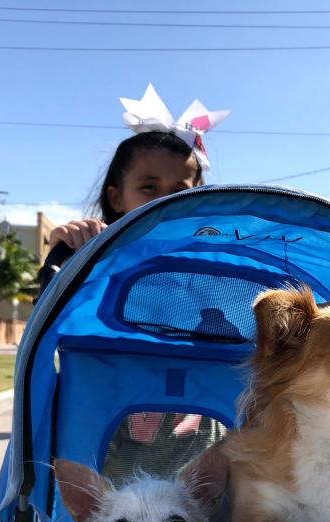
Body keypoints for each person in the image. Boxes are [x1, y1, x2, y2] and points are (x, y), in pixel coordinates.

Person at [37, 85, 229, 479]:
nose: (163, 201)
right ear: (116, 196)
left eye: (179, 192)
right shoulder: (96, 259)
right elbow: (59, 316)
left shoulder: (213, 266)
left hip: (197, 445)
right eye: (148, 188)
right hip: (112, 442)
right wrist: (69, 249)